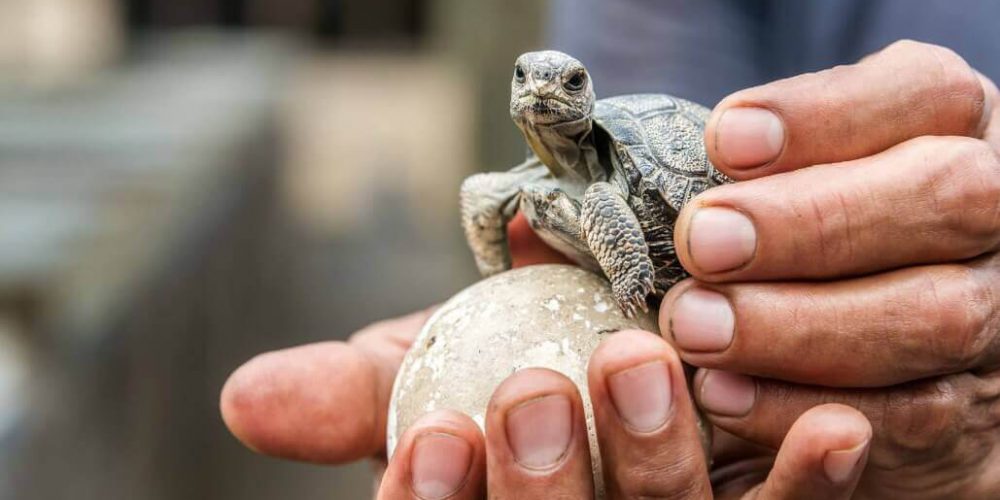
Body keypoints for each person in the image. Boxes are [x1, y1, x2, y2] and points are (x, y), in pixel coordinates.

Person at [220, 1, 1000, 497]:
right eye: (530, 80)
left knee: (596, 204)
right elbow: (493, 206)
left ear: (584, 97)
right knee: (488, 191)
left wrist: (634, 299)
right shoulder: (522, 186)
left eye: (567, 85)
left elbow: (614, 209)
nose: (544, 93)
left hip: (734, 287)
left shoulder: (602, 187)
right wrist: (497, 296)